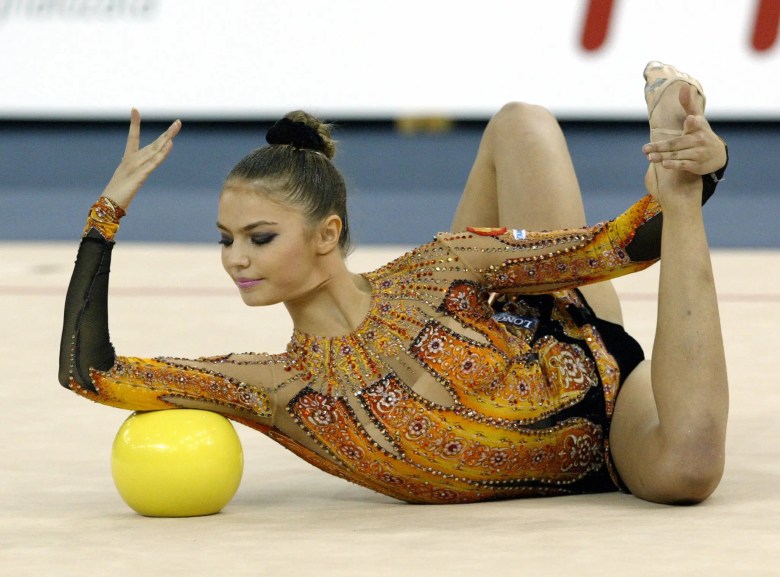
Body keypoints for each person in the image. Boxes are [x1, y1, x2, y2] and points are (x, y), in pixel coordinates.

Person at [59, 62, 729, 505]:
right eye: (225, 239)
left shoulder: (442, 266)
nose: (237, 258)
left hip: (596, 378)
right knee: (690, 468)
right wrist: (103, 218)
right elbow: (91, 373)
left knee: (524, 120)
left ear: (327, 234)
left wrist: (703, 174)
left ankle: (679, 172)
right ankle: (681, 185)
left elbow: (617, 247)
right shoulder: (276, 388)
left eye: (260, 237)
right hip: (592, 452)